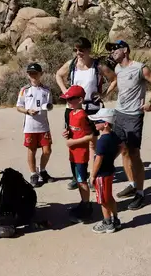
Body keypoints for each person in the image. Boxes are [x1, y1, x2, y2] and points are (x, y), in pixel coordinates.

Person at [105, 40, 151, 210]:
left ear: (125, 50)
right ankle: (132, 184)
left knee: (134, 154)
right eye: (111, 50)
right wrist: (105, 93)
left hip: (133, 117)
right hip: (119, 115)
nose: (112, 52)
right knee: (123, 151)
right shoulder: (118, 68)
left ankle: (140, 193)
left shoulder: (139, 67)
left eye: (115, 49)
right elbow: (116, 80)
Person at [56, 37, 114, 191]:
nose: (78, 53)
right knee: (74, 140)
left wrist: (104, 94)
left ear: (88, 50)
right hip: (73, 108)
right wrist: (66, 92)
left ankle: (94, 176)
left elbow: (114, 79)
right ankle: (78, 176)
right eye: (76, 50)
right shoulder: (72, 64)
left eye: (81, 50)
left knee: (93, 142)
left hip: (92, 107)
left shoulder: (98, 66)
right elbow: (58, 75)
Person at [16, 63, 54, 188]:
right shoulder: (24, 90)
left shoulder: (47, 90)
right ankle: (33, 174)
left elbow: (49, 105)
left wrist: (47, 107)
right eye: (30, 73)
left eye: (35, 73)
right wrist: (27, 111)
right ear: (28, 75)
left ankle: (42, 170)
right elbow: (19, 106)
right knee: (31, 150)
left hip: (43, 125)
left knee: (47, 150)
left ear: (41, 74)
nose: (33, 75)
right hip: (30, 125)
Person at [61, 85, 96, 223]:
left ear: (80, 99)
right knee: (77, 178)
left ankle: (87, 206)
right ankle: (83, 202)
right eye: (67, 99)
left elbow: (91, 136)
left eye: (71, 99)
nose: (68, 101)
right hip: (72, 153)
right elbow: (73, 131)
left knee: (81, 180)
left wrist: (73, 142)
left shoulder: (83, 115)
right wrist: (67, 134)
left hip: (81, 154)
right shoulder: (70, 114)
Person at [88, 108, 123, 233]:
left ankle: (108, 222)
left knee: (103, 200)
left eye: (98, 121)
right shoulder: (113, 136)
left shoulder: (102, 141)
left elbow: (98, 159)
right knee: (109, 196)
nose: (95, 123)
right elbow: (122, 146)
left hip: (102, 174)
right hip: (110, 171)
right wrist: (113, 156)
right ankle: (115, 219)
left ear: (106, 124)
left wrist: (92, 175)